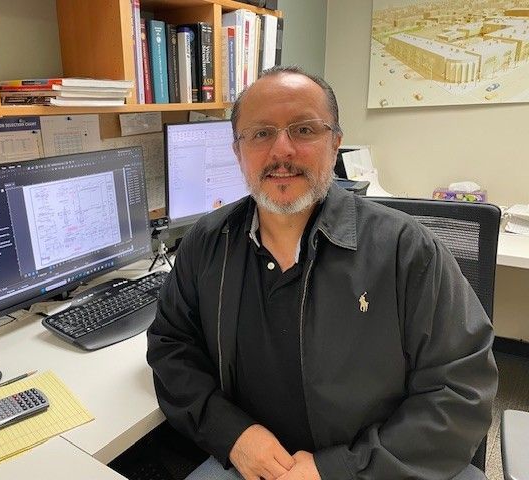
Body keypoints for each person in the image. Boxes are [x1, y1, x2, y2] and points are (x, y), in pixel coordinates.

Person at [146, 65, 497, 480]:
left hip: (377, 468)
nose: (282, 150)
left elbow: (460, 392)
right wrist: (233, 435)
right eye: (261, 133)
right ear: (238, 151)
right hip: (255, 465)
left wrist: (336, 469)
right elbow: (172, 348)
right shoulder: (208, 242)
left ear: (336, 144)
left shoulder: (407, 249)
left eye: (304, 130)